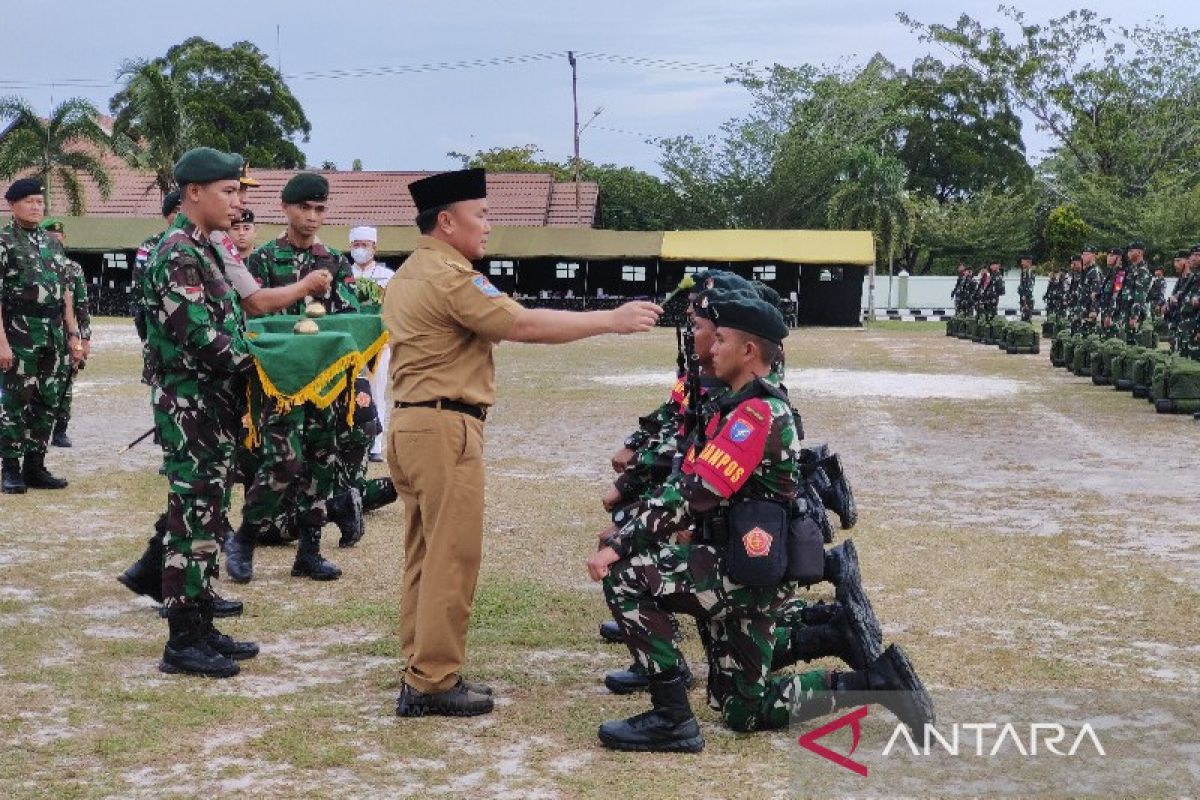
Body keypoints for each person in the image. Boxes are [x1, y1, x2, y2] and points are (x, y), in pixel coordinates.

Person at [587, 292, 931, 752]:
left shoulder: (757, 414)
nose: (709, 348)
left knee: (626, 576)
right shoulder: (735, 404)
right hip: (746, 568)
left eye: (721, 339)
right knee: (743, 712)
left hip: (745, 572)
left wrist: (622, 542)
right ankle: (878, 682)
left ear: (749, 351)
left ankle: (671, 720)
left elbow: (695, 492)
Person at [384, 167, 662, 717]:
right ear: (446, 221)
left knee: (424, 553)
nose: (488, 226)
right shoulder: (451, 276)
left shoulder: (410, 272)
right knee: (452, 557)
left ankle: (422, 665)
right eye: (480, 215)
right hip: (445, 428)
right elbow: (524, 325)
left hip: (412, 425)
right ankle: (433, 682)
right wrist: (610, 319)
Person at [141, 147, 258, 678]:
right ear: (194, 193)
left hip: (212, 406)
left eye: (237, 192)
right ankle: (182, 639)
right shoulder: (176, 253)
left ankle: (203, 620)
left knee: (208, 512)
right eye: (227, 192)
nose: (236, 202)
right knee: (191, 519)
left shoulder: (205, 248)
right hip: (191, 408)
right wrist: (267, 364)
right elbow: (203, 338)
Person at [224, 172, 359, 584]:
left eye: (320, 209)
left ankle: (309, 551)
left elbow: (349, 317)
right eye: (305, 208)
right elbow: (250, 315)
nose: (313, 216)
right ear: (285, 208)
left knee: (321, 461)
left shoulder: (335, 261)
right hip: (278, 383)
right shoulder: (262, 260)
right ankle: (245, 537)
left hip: (324, 383)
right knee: (283, 461)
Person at [0, 178, 73, 494]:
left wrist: (73, 333)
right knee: (16, 400)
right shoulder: (4, 242)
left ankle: (35, 466)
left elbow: (64, 290)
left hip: (53, 332)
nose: (35, 207)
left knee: (47, 399)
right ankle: (11, 469)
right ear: (13, 205)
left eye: (39, 202)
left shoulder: (52, 242)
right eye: (29, 201)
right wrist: (1, 342)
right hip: (19, 331)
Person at [39, 218, 91, 448]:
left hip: (67, 335)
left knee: (66, 382)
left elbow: (82, 306)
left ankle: (60, 430)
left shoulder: (74, 269)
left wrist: (85, 338)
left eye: (59, 236)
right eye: (51, 235)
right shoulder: (34, 266)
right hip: (39, 334)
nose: (56, 239)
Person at [347, 224, 394, 462]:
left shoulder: (388, 277)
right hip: (349, 344)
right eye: (356, 245)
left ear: (374, 248)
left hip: (378, 345)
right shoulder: (343, 275)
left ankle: (375, 444)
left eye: (364, 245)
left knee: (376, 392)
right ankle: (350, 440)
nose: (360, 250)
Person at [132, 190, 182, 342]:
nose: (181, 216)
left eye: (185, 211)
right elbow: (138, 283)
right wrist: (140, 316)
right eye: (176, 211)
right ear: (167, 216)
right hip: (157, 320)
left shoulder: (202, 243)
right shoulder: (150, 245)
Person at [1017, 253, 1035, 322]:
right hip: (1023, 299)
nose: (1022, 263)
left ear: (1029, 262)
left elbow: (1029, 288)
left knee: (1026, 319)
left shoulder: (1030, 274)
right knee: (1023, 318)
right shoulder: (1023, 273)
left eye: (1023, 261)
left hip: (1028, 300)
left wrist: (1026, 302)